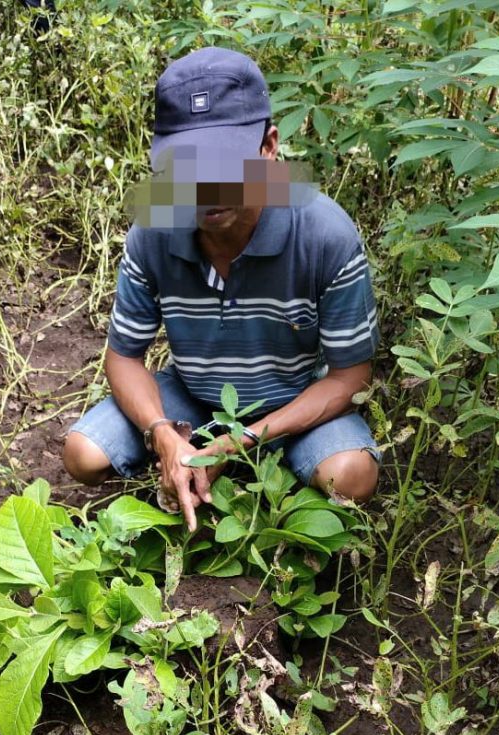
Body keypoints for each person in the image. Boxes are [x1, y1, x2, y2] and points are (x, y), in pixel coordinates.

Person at [63, 47, 380, 530]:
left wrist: (237, 442)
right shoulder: (154, 223)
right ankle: (187, 459)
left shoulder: (323, 232)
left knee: (350, 476)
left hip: (293, 401)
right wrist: (162, 434)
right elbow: (123, 355)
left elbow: (349, 377)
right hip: (192, 393)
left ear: (269, 147)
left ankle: (253, 468)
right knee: (82, 455)